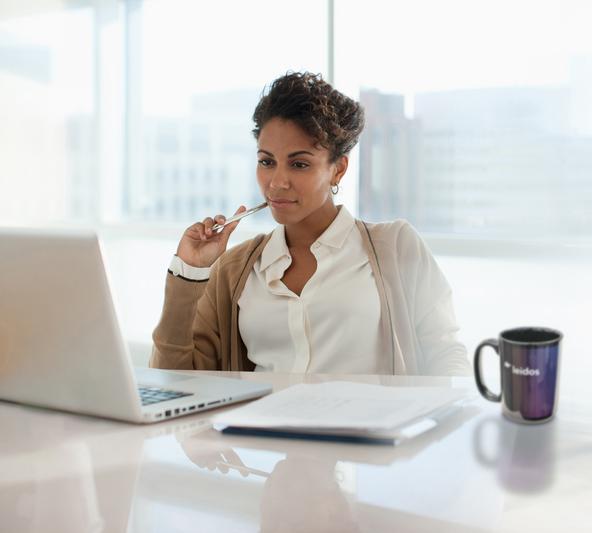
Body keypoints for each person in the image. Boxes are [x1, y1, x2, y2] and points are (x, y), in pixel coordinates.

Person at [150, 71, 470, 376]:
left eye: (299, 164)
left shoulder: (396, 246)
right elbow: (176, 382)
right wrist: (190, 271)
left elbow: (446, 357)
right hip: (259, 433)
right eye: (266, 162)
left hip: (365, 431)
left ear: (338, 169)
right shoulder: (234, 270)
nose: (277, 182)